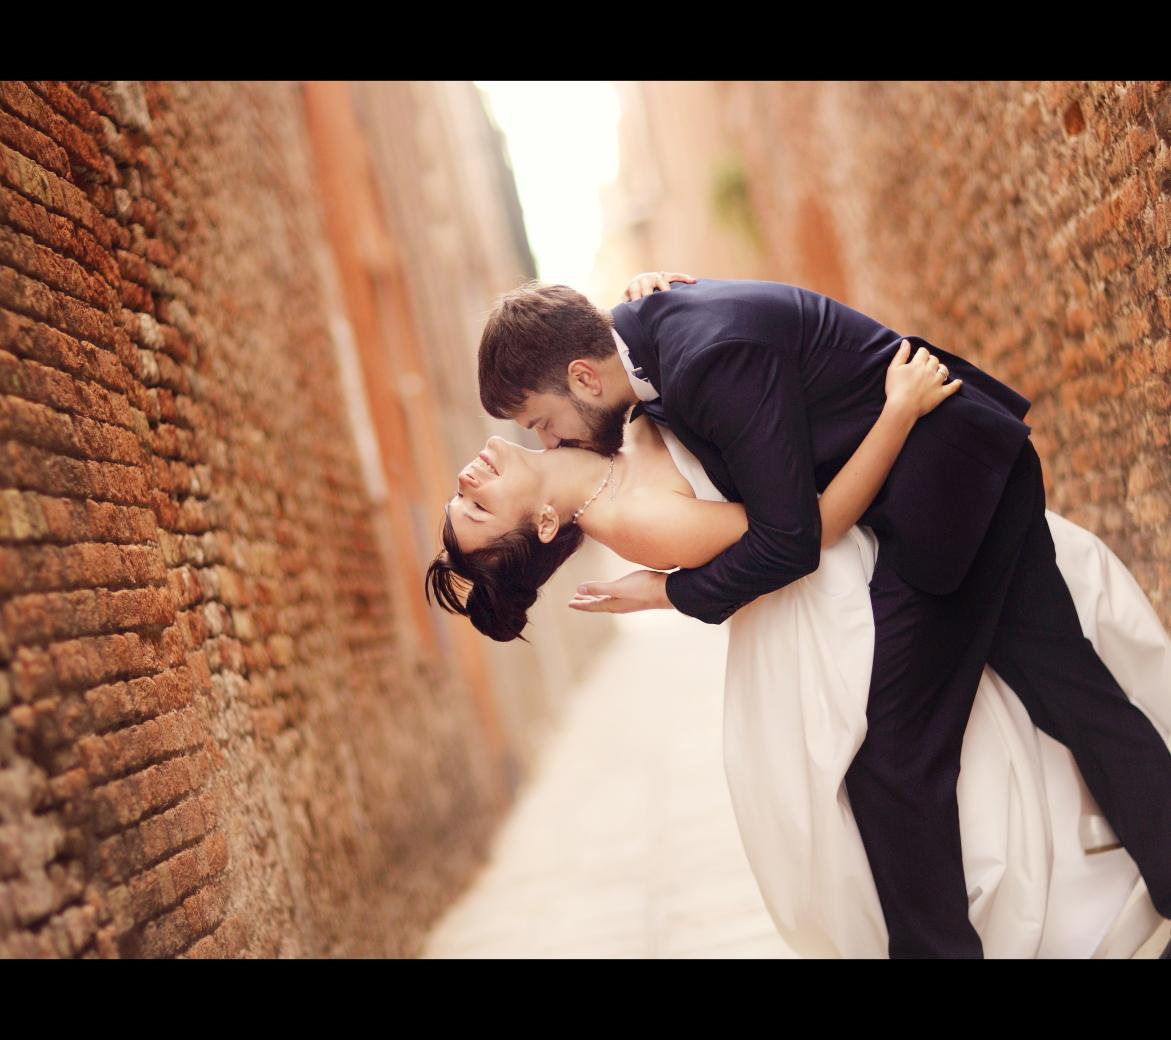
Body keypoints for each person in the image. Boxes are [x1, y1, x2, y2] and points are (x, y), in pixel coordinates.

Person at [430, 272, 1171, 958]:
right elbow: (782, 523)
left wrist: (671, 594)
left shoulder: (695, 353)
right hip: (959, 469)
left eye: (542, 421)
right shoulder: (648, 356)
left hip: (943, 488)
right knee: (1070, 698)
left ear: (585, 376)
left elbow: (790, 539)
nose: (548, 438)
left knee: (895, 762)